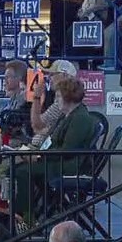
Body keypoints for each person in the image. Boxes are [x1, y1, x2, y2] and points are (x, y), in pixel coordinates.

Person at [13, 78, 97, 221]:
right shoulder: (68, 116)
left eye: (58, 96)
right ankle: (25, 214)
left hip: (70, 166)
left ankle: (25, 219)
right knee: (20, 166)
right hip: (58, 160)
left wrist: (38, 157)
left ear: (68, 96)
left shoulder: (80, 118)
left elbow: (66, 150)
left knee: (23, 171)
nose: (56, 100)